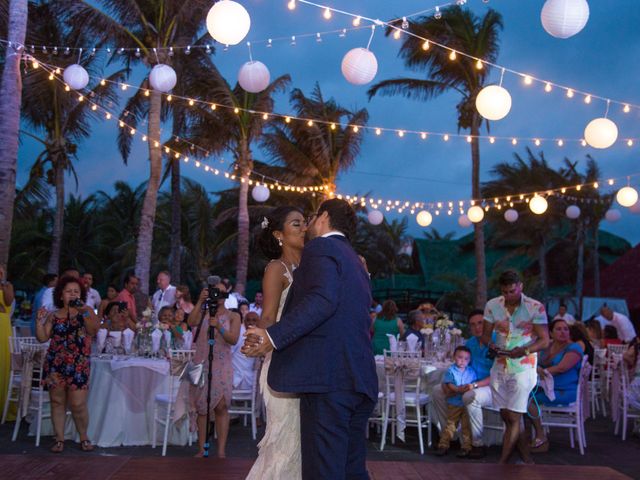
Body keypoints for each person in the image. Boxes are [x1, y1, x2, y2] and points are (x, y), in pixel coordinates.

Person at [243, 198, 378, 480]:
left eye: (311, 218)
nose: (307, 226)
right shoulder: (354, 259)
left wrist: (273, 337)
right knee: (351, 471)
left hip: (326, 380)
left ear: (324, 218)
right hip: (358, 379)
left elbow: (322, 299)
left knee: (323, 471)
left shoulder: (321, 248)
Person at [243, 206, 307, 479]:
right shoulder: (276, 268)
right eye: (296, 224)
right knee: (283, 443)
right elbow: (268, 317)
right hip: (282, 363)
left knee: (303, 446)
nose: (304, 227)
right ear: (279, 234)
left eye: (305, 222)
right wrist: (260, 340)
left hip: (307, 365)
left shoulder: (312, 268)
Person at [482, 270, 549, 464]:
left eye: (512, 291)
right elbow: (486, 335)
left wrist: (525, 351)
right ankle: (527, 460)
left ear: (520, 286)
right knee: (507, 416)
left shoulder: (535, 307)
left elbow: (545, 341)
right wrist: (491, 344)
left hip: (523, 368)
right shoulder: (492, 305)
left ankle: (501, 464)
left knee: (514, 416)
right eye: (505, 292)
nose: (509, 295)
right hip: (500, 366)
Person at [35, 275, 100, 453]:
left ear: (81, 295)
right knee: (57, 402)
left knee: (78, 404)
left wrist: (83, 310)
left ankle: (84, 437)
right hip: (55, 363)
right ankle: (59, 439)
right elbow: (42, 338)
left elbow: (93, 330)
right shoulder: (53, 315)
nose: (72, 294)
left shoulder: (86, 311)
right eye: (68, 291)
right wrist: (39, 322)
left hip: (78, 363)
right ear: (61, 295)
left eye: (76, 292)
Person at [188, 281, 241, 458]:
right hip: (201, 363)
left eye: (221, 292)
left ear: (226, 295)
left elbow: (233, 339)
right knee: (201, 408)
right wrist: (199, 301)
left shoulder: (234, 316)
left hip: (222, 364)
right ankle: (202, 448)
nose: (217, 295)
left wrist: (218, 326)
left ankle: (221, 451)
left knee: (221, 407)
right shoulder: (203, 312)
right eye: (214, 292)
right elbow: (191, 321)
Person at [525, 319, 584, 452]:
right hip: (546, 387)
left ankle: (541, 437)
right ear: (550, 333)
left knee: (528, 400)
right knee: (521, 393)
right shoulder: (548, 346)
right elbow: (533, 360)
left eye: (566, 329)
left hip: (565, 390)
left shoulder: (574, 348)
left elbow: (561, 368)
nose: (563, 332)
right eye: (559, 329)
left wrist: (541, 371)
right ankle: (525, 435)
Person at [435, 346, 477, 458]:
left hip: (466, 404)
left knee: (466, 426)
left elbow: (473, 384)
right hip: (454, 402)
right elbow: (449, 384)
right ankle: (443, 445)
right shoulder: (451, 370)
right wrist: (458, 389)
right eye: (460, 357)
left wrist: (469, 388)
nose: (463, 361)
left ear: (469, 360)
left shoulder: (471, 371)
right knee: (451, 424)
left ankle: (466, 447)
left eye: (466, 359)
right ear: (454, 357)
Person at [0, 264, 15, 422]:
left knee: (2, 363)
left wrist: (3, 283)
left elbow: (8, 302)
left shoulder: (7, 286)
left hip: (3, 327)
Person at [232, 311, 258, 390]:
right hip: (235, 378)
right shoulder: (238, 333)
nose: (251, 322)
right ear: (244, 321)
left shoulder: (260, 335)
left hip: (251, 379)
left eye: (254, 320)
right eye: (248, 320)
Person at [623, 336, 640, 410]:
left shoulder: (635, 348)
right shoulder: (635, 348)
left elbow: (624, 355)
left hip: (636, 381)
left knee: (628, 397)